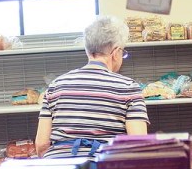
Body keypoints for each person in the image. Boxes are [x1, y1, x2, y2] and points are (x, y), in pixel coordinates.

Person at [35, 16, 149, 158]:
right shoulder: (129, 87)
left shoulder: (55, 86)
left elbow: (41, 145)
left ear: (87, 51)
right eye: (122, 53)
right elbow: (138, 145)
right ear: (115, 52)